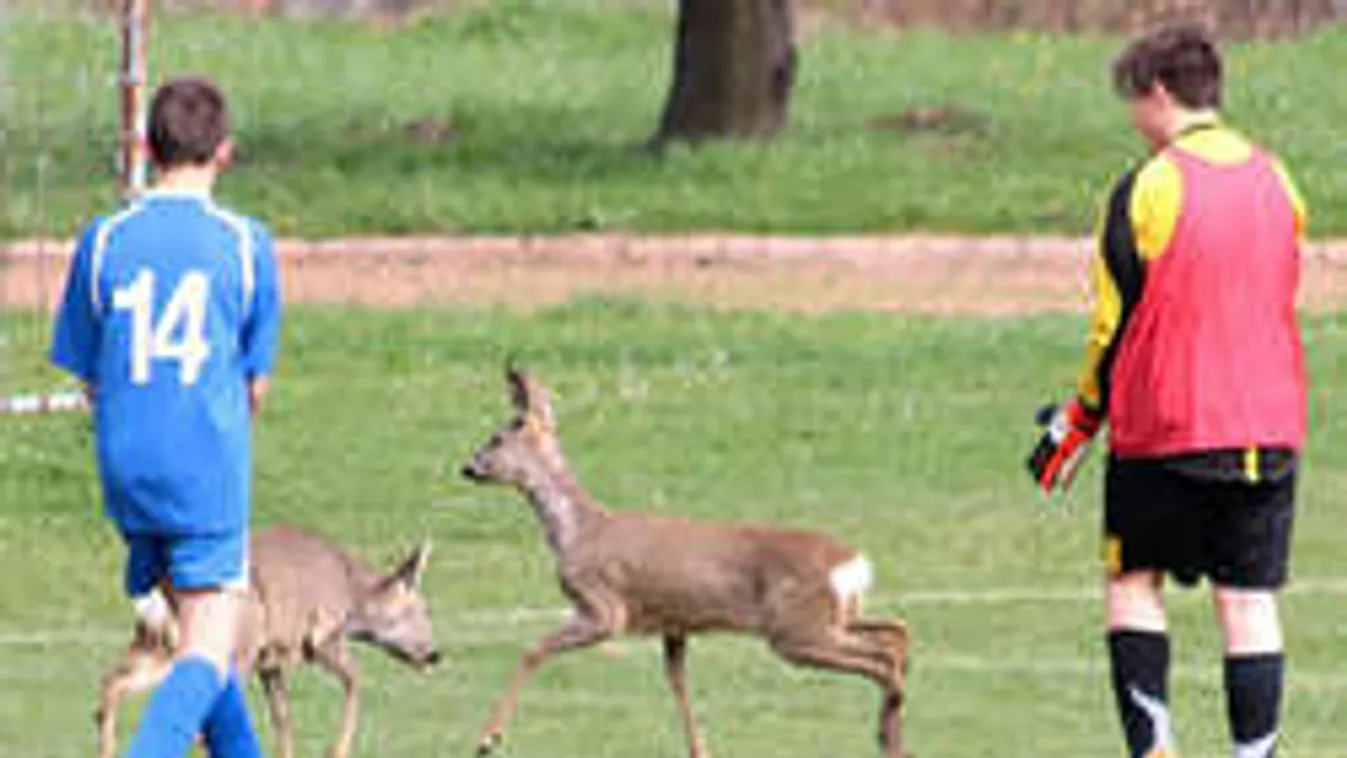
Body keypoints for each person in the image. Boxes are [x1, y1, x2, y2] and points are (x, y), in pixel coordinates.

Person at [1027, 24, 1307, 758]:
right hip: (1269, 427)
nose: (1133, 120)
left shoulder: (1147, 186)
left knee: (1132, 583)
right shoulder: (1278, 180)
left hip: (1168, 426)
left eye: (1133, 102)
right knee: (1247, 602)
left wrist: (1073, 426)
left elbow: (1111, 329)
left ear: (1157, 94)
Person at [50, 76, 282, 758]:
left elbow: (91, 376)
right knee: (209, 653)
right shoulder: (244, 244)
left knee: (196, 644)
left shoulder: (102, 240)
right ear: (225, 154)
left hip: (126, 467)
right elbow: (254, 388)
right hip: (203, 468)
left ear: (146, 148)